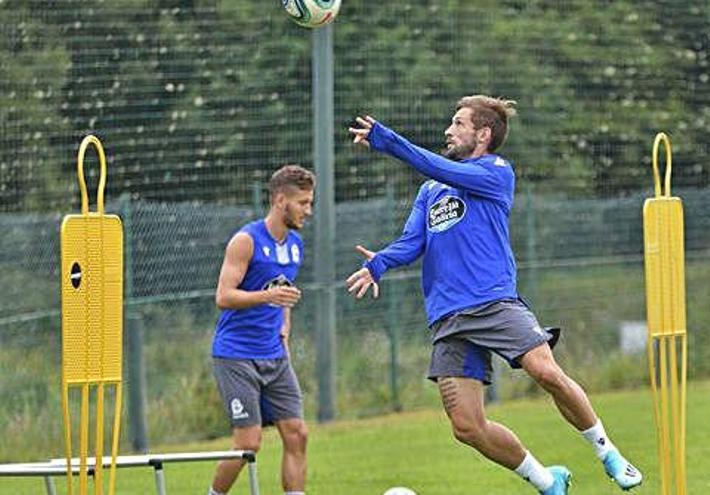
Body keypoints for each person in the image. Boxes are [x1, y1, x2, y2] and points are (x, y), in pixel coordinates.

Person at [345, 95, 642, 494]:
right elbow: (412, 242)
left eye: (458, 123)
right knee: (467, 427)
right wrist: (378, 263)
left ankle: (608, 453)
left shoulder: (496, 172)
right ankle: (547, 480)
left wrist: (389, 141)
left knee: (545, 371)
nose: (449, 130)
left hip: (493, 303)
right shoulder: (431, 190)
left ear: (483, 135)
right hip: (448, 317)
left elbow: (435, 164)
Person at [208, 165, 314, 495]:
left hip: (275, 355)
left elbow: (283, 294)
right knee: (248, 442)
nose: (308, 211)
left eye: (310, 203)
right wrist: (268, 296)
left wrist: (284, 327)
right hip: (236, 355)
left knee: (297, 433)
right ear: (280, 200)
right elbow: (223, 297)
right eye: (303, 203)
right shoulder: (246, 241)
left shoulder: (295, 245)